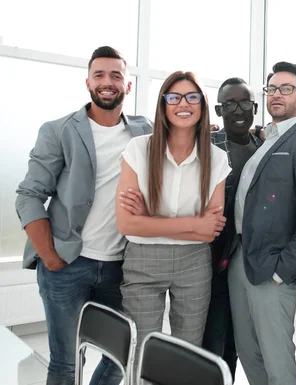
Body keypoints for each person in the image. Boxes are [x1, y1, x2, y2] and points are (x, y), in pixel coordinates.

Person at [15, 46, 152, 385]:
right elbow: (29, 195)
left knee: (123, 355)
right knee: (65, 363)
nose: (108, 82)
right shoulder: (59, 130)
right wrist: (49, 256)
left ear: (128, 86)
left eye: (116, 76)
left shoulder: (144, 130)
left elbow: (184, 143)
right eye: (100, 75)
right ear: (88, 82)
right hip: (68, 265)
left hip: (122, 267)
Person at [115, 71, 231, 363]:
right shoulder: (138, 149)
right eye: (174, 96)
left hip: (194, 261)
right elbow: (128, 224)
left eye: (193, 97)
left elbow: (209, 233)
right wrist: (194, 223)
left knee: (187, 354)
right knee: (142, 353)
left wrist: (150, 222)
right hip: (143, 258)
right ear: (163, 104)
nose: (184, 103)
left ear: (203, 105)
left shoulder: (216, 158)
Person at [229, 62, 296, 385]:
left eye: (286, 89)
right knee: (249, 354)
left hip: (273, 268)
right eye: (272, 88)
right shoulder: (268, 138)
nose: (276, 94)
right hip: (241, 258)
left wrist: (283, 270)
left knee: (278, 365)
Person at [204, 77, 262, 380]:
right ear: (218, 109)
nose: (237, 109)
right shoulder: (207, 145)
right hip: (213, 259)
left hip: (251, 260)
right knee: (213, 337)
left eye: (244, 102)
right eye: (229, 103)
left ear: (254, 107)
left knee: (239, 340)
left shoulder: (264, 146)